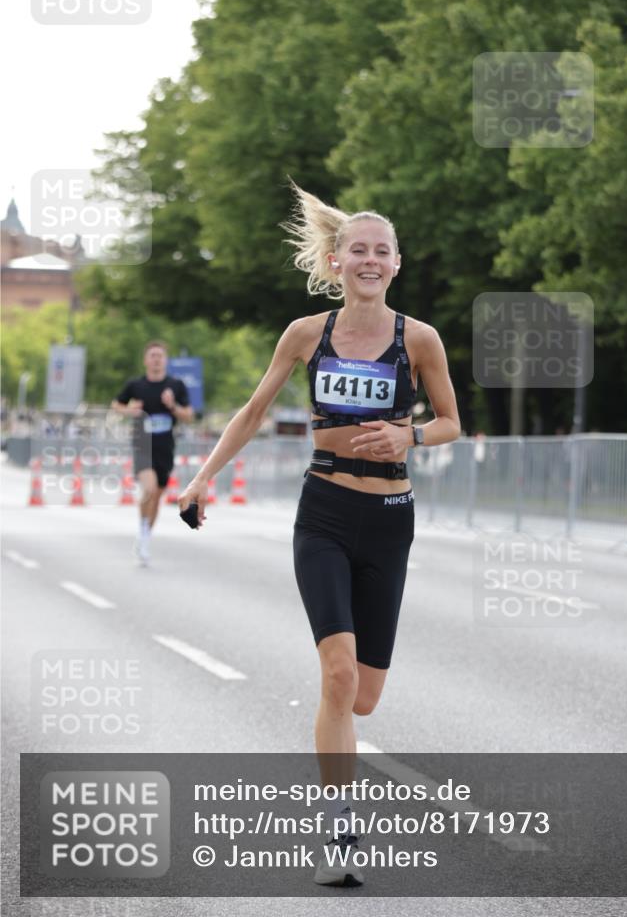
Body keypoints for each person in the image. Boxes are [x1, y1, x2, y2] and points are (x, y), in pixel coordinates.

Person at [178, 182, 460, 886]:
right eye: (356, 250)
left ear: (396, 264)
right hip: (325, 513)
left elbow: (453, 421)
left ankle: (340, 754)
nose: (368, 260)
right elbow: (249, 412)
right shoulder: (308, 335)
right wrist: (201, 477)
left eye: (380, 251)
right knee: (336, 677)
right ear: (336, 262)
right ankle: (338, 828)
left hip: (390, 520)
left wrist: (411, 432)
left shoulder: (417, 338)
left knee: (363, 696)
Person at [112, 340, 193, 565]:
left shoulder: (176, 386)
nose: (156, 359)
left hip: (165, 448)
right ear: (146, 360)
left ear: (165, 360)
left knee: (156, 497)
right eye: (152, 355)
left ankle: (145, 536)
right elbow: (116, 405)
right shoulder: (136, 385)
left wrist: (172, 406)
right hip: (142, 444)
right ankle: (142, 530)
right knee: (148, 488)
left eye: (160, 356)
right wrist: (130, 410)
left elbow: (188, 415)